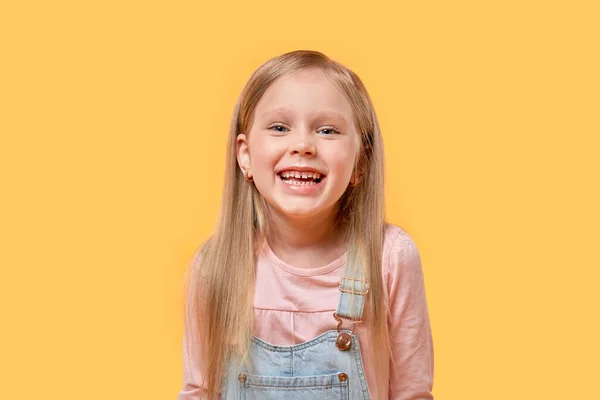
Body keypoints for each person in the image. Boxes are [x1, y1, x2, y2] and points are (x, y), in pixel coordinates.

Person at [177, 50, 434, 400]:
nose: (302, 145)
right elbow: (198, 392)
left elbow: (412, 393)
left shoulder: (390, 259)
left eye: (327, 130)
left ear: (361, 162)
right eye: (279, 127)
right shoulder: (214, 269)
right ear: (245, 155)